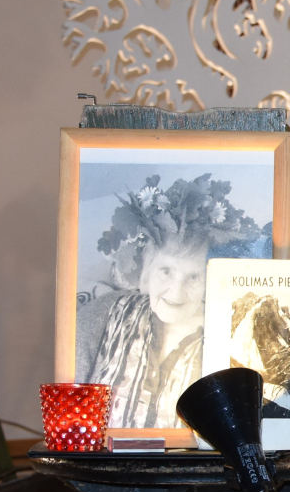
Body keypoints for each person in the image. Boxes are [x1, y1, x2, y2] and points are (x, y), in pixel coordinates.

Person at [76, 174, 264, 428]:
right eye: (166, 271)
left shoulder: (234, 336)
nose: (176, 292)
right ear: (147, 269)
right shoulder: (106, 312)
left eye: (194, 277)